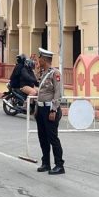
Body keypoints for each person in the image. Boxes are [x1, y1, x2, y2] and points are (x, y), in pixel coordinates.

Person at [34, 47, 64, 175]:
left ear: (44, 59)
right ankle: (46, 162)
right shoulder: (42, 73)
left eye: (40, 58)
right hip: (41, 108)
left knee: (52, 138)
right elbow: (39, 90)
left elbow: (58, 92)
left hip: (49, 109)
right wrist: (36, 109)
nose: (38, 60)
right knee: (42, 137)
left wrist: (53, 110)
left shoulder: (55, 73)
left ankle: (59, 165)